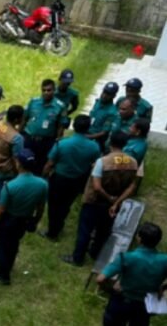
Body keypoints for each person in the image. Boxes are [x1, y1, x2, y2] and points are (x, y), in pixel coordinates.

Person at [90, 222, 167, 326]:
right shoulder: (164, 260)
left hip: (121, 302)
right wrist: (162, 288)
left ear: (139, 238)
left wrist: (110, 289)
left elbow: (100, 279)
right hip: (145, 305)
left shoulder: (127, 258)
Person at [62, 131, 138, 267]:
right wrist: (116, 201)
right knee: (103, 230)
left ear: (110, 142)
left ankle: (78, 258)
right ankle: (95, 253)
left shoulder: (102, 161)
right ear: (125, 144)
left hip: (95, 201)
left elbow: (97, 187)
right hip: (114, 204)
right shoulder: (133, 162)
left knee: (85, 230)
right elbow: (132, 186)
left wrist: (109, 198)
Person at [0, 149, 48, 285]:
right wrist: (35, 221)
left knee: (3, 246)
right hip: (24, 221)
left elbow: (0, 209)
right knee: (14, 243)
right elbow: (41, 207)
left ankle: (3, 275)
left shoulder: (10, 186)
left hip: (8, 220)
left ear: (18, 164)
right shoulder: (42, 185)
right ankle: (10, 264)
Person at [40, 115, 101, 241]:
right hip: (78, 180)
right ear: (88, 128)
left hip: (59, 179)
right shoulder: (94, 147)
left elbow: (50, 163)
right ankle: (59, 224)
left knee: (54, 205)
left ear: (74, 126)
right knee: (66, 204)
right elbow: (95, 164)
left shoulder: (62, 143)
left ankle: (52, 232)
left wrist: (44, 176)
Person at [21, 79, 66, 176]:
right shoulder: (33, 102)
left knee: (41, 164)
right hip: (29, 139)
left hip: (46, 141)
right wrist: (19, 133)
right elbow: (24, 119)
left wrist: (58, 140)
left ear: (54, 90)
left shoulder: (60, 106)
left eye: (49, 90)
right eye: (43, 90)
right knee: (25, 162)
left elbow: (60, 126)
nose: (46, 92)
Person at [86, 82, 120, 153]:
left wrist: (88, 137)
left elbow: (104, 132)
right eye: (104, 92)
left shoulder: (112, 112)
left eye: (108, 94)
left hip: (97, 140)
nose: (104, 95)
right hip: (87, 132)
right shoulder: (98, 102)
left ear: (114, 96)